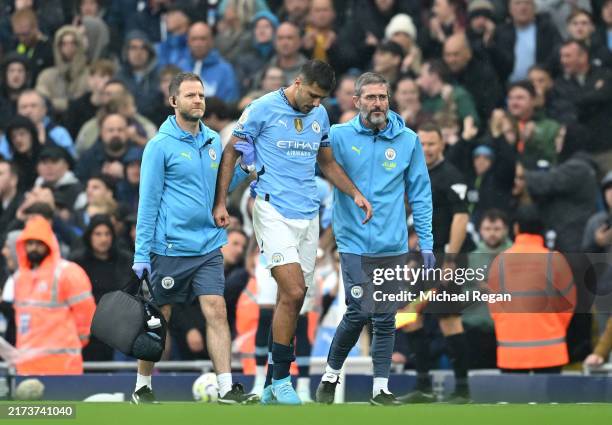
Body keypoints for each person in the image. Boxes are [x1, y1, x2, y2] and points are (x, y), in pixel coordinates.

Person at [213, 60, 372, 405]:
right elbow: (231, 152)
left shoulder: (320, 115)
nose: (316, 104)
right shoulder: (261, 109)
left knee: (293, 300)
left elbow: (327, 162)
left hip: (308, 215)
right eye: (313, 96)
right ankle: (284, 379)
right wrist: (220, 203)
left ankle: (271, 384)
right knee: (294, 288)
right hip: (271, 210)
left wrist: (354, 192)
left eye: (322, 99)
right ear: (298, 83)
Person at [131, 72, 257, 404]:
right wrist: (141, 254)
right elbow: (148, 202)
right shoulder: (159, 146)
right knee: (162, 317)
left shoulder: (214, 140)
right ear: (174, 101)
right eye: (190, 95)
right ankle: (143, 385)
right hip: (170, 246)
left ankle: (227, 387)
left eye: (201, 95)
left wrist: (243, 169)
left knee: (216, 310)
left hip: (209, 244)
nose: (198, 100)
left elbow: (219, 190)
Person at [314, 72, 434, 406]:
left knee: (385, 317)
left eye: (382, 97)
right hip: (352, 241)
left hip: (392, 244)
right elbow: (310, 163)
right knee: (358, 310)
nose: (377, 103)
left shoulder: (408, 140)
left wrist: (426, 242)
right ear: (356, 102)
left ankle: (380, 389)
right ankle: (331, 374)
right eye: (370, 98)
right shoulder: (337, 136)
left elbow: (421, 193)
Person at [400, 122, 472, 404]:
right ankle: (423, 387)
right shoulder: (415, 174)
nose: (427, 149)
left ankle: (463, 390)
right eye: (423, 144)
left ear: (442, 144)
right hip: (421, 257)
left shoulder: (451, 175)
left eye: (432, 143)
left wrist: (451, 258)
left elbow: (461, 218)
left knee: (449, 320)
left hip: (445, 256)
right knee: (408, 315)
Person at [488, 205, 576, 373]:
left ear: (516, 228)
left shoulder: (500, 261)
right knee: (551, 400)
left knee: (514, 399)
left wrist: (507, 326)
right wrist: (553, 327)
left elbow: (494, 305)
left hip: (510, 350)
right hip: (550, 349)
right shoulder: (555, 260)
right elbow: (569, 304)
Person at [12, 215, 95, 375]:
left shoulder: (67, 272)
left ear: (49, 244)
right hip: (27, 367)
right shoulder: (19, 278)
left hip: (62, 365)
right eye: (29, 243)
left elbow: (86, 313)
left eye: (38, 243)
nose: (33, 248)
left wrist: (80, 340)